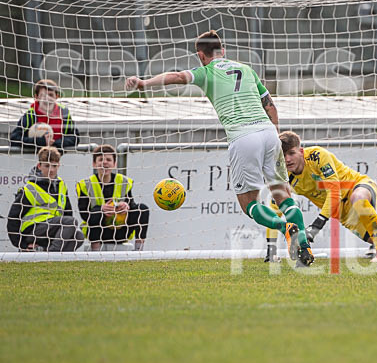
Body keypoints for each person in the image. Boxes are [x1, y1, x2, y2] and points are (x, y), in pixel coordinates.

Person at [125, 30, 313, 266]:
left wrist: (144, 83)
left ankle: (285, 228)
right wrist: (274, 137)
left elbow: (177, 76)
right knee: (283, 196)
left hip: (243, 137)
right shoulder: (246, 70)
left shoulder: (206, 71)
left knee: (250, 204)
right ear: (222, 50)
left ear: (201, 56)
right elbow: (270, 106)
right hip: (269, 132)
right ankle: (303, 243)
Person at [279, 131, 377, 264]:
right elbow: (279, 205)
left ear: (300, 151)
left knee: (358, 199)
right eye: (283, 155)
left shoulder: (316, 156)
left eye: (291, 153)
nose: (287, 159)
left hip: (358, 186)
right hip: (346, 215)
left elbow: (335, 192)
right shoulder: (284, 176)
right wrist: (279, 240)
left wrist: (316, 226)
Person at [6, 146, 84, 251]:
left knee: (78, 237)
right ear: (39, 166)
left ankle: (47, 252)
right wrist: (21, 244)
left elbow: (67, 212)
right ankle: (52, 255)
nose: (51, 170)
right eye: (47, 166)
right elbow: (13, 218)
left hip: (53, 230)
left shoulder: (61, 186)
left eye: (54, 166)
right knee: (71, 222)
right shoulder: (30, 188)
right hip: (33, 231)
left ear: (59, 166)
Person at [76, 144, 150, 251]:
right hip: (99, 231)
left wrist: (126, 206)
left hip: (120, 228)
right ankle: (95, 254)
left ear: (114, 164)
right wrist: (102, 209)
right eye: (101, 159)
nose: (104, 162)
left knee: (142, 209)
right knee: (96, 213)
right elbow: (84, 215)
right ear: (94, 164)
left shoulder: (123, 181)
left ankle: (139, 250)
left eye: (108, 159)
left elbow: (132, 205)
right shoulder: (85, 184)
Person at [10, 79, 80, 152]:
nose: (47, 99)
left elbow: (75, 138)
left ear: (57, 96)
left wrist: (54, 144)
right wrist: (41, 142)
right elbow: (15, 139)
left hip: (58, 159)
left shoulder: (64, 114)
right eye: (43, 95)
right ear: (36, 97)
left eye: (50, 95)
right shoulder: (30, 115)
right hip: (34, 158)